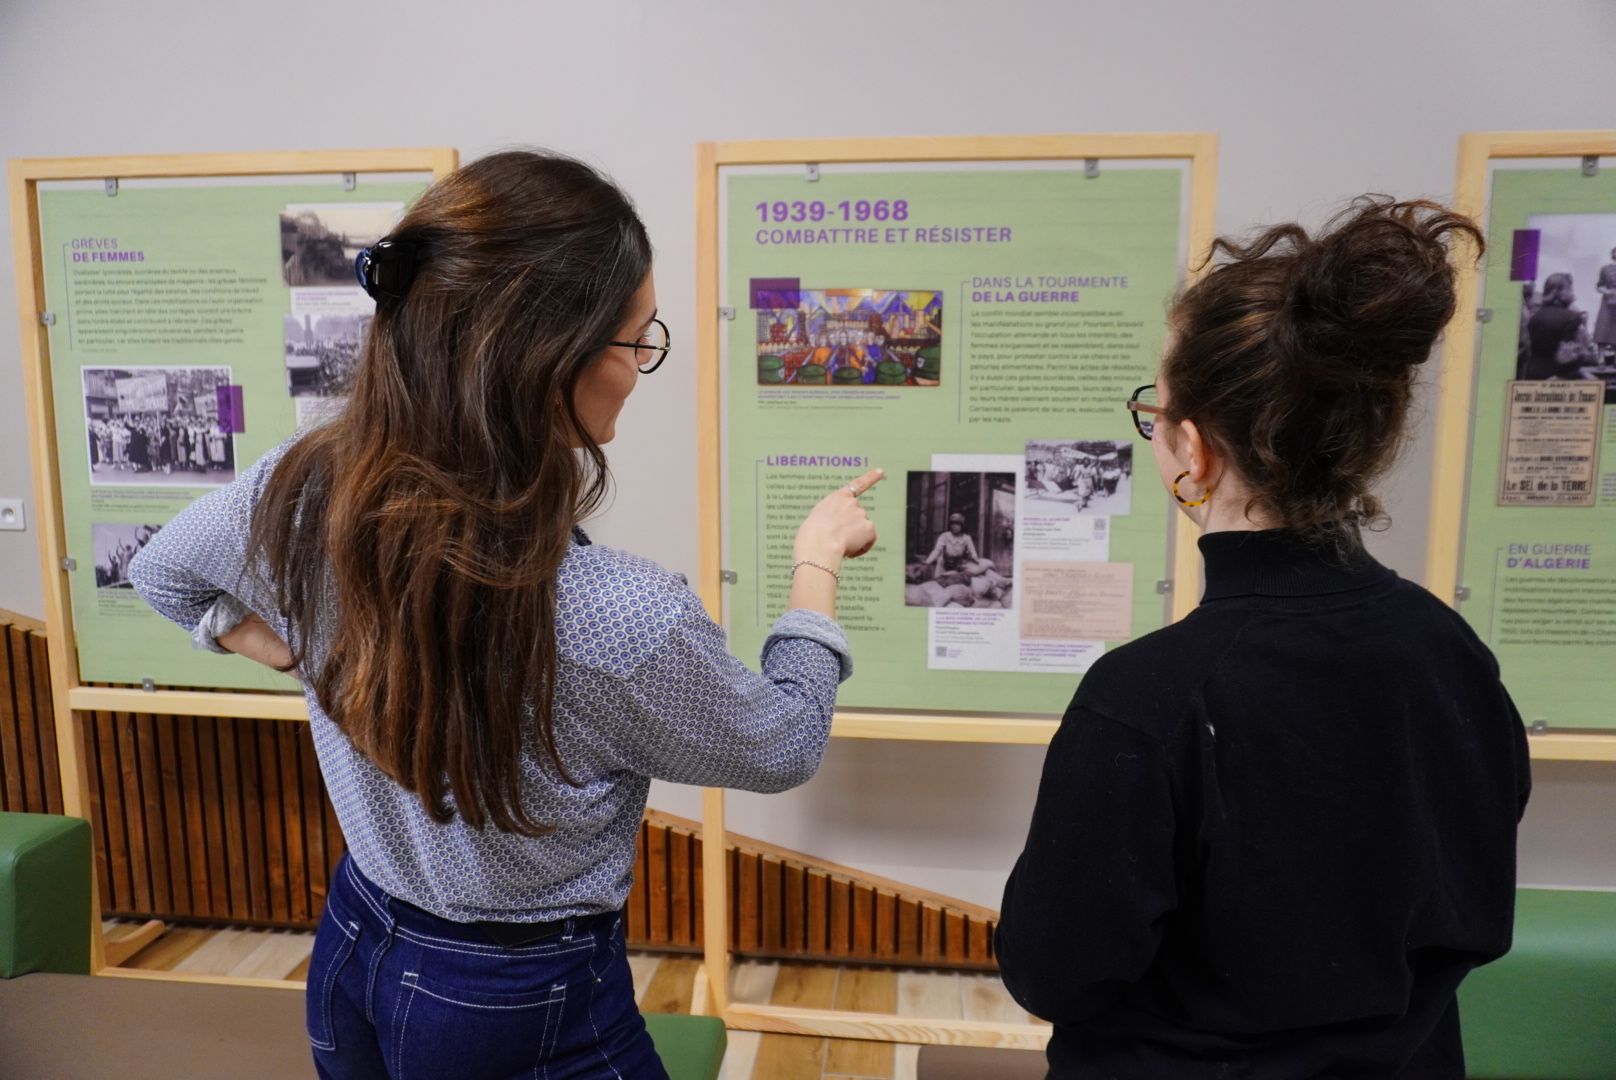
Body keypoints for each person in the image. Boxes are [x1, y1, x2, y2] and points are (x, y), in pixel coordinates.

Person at [130, 150, 883, 1080]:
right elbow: (781, 746)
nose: (642, 370)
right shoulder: (617, 618)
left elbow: (165, 572)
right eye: (635, 341)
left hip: (352, 945)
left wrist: (263, 643)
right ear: (545, 360)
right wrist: (816, 565)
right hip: (515, 1003)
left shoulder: (300, 490)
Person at [997, 198, 1530, 1079]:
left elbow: (1053, 970)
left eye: (1155, 413)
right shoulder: (1452, 654)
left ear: (1194, 453)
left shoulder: (1149, 697)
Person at [1522, 272, 1588, 380]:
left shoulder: (1534, 317)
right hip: (1559, 378)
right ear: (1558, 292)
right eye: (1570, 289)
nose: (1572, 294)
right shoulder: (1573, 318)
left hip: (1532, 375)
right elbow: (1568, 357)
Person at [923, 512, 979, 578]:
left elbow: (972, 550)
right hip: (943, 566)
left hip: (957, 566)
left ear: (962, 525)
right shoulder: (944, 536)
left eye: (957, 524)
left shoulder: (966, 538)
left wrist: (976, 560)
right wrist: (927, 562)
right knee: (940, 582)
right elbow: (937, 550)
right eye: (952, 523)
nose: (954, 526)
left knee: (955, 584)